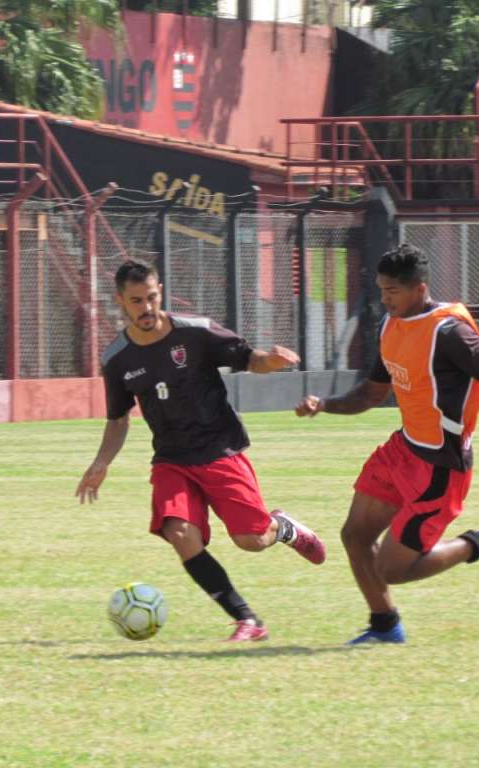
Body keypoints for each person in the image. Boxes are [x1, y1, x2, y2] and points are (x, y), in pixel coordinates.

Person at [76, 259, 326, 642]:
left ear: (161, 292)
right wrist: (101, 461)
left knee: (252, 540)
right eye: (137, 301)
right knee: (180, 534)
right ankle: (247, 620)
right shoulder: (118, 359)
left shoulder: (196, 332)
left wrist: (270, 362)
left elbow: (248, 358)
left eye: (152, 297)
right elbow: (118, 418)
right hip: (172, 459)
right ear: (121, 301)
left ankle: (283, 528)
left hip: (219, 449)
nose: (146, 307)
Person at [295, 244, 479, 644]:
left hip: (441, 469)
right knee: (355, 536)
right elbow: (371, 394)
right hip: (403, 450)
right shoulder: (391, 326)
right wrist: (324, 405)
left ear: (420, 289)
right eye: (382, 289)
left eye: (393, 291)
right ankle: (385, 627)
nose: (385, 299)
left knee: (391, 569)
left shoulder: (449, 332)